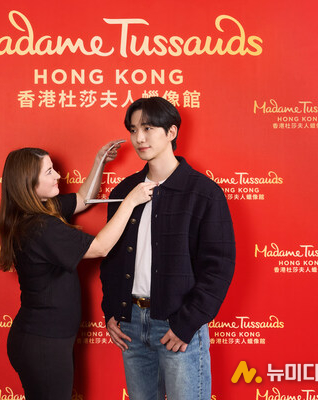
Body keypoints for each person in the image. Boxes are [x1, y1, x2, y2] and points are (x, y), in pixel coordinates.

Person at [0, 143, 157, 400]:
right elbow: (101, 247)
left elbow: (83, 199)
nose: (58, 175)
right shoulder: (41, 227)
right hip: (44, 343)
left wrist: (100, 161)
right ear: (29, 183)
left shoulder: (39, 209)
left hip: (42, 340)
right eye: (49, 172)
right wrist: (131, 202)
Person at [100, 97, 236, 400]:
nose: (139, 138)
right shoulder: (124, 191)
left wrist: (187, 323)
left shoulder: (203, 193)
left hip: (177, 325)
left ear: (171, 132)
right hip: (130, 326)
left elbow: (219, 267)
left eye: (148, 128)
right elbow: (111, 258)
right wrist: (111, 310)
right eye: (133, 130)